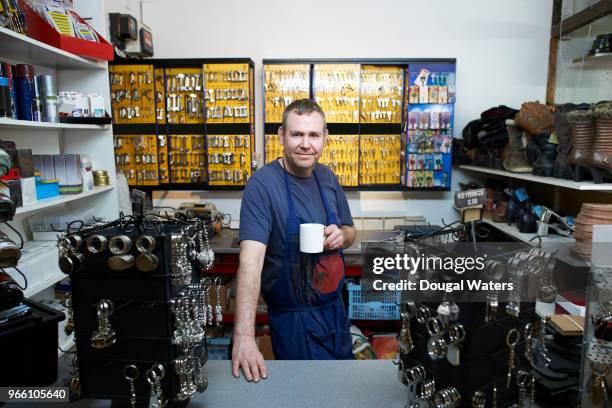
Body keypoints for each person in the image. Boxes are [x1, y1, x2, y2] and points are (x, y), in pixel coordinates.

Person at [232, 98, 357, 382]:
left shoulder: (327, 177)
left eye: (313, 135)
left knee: (344, 389)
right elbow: (250, 263)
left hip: (335, 312)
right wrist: (245, 338)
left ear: (325, 137)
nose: (305, 143)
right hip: (295, 321)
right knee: (310, 394)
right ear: (281, 136)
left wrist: (342, 235)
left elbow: (351, 231)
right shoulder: (262, 186)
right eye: (297, 134)